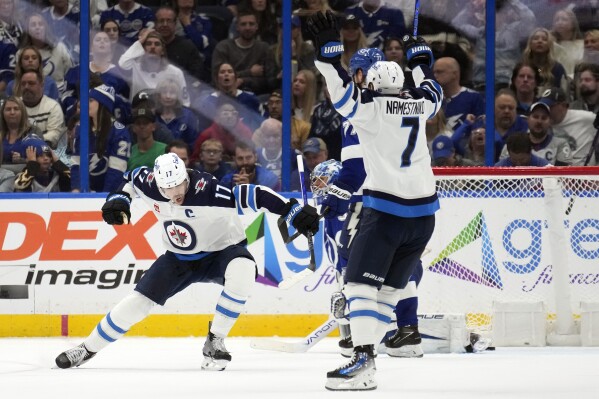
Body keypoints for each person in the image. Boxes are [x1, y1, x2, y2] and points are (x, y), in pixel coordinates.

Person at [55, 152, 320, 370]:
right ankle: (87, 348)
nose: (174, 193)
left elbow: (257, 194)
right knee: (138, 302)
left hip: (221, 252)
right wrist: (119, 199)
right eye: (166, 188)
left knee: (244, 270)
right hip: (178, 259)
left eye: (178, 185)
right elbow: (130, 180)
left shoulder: (211, 191)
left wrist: (291, 209)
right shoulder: (150, 183)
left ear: (187, 176)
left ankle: (215, 341)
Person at [308, 11, 442, 390]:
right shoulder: (420, 104)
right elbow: (434, 90)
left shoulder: (370, 111)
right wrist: (419, 63)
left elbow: (340, 92)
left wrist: (327, 56)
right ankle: (373, 353)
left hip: (387, 213)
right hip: (425, 216)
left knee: (358, 286)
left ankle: (363, 360)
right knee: (385, 292)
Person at [71, 84, 131, 192]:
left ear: (103, 104)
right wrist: (76, 189)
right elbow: (76, 163)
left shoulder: (119, 132)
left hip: (110, 194)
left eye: (91, 100)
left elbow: (116, 171)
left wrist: (103, 196)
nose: (85, 103)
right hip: (86, 193)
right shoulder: (81, 129)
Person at [118, 29, 190, 106]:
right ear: (143, 49)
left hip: (166, 113)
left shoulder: (176, 72)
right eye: (148, 44)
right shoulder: (135, 67)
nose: (153, 47)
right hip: (140, 114)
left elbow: (185, 102)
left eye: (157, 44)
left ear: (162, 50)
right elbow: (122, 63)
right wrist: (141, 41)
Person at [211, 11, 277, 95]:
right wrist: (249, 72)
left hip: (257, 94)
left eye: (251, 24)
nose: (247, 28)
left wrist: (242, 81)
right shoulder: (223, 47)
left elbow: (268, 81)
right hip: (227, 94)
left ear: (256, 27)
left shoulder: (264, 48)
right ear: (237, 27)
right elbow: (217, 79)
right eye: (243, 24)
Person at [499, 101, 572, 166]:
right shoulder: (513, 144)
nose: (539, 121)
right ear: (527, 119)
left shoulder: (561, 145)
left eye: (544, 118)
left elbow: (563, 176)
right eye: (535, 117)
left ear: (550, 122)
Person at [539, 87, 598, 166]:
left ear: (563, 106)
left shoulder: (586, 118)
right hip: (552, 174)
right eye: (543, 107)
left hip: (583, 174)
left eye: (550, 107)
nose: (546, 110)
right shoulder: (540, 123)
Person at [433, 56, 484, 131]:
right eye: (434, 72)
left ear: (455, 74)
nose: (435, 76)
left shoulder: (474, 98)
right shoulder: (432, 100)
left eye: (439, 72)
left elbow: (480, 128)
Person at [127, 104, 167, 170]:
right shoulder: (129, 153)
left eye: (145, 123)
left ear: (153, 127)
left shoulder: (165, 150)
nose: (142, 126)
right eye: (138, 123)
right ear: (133, 128)